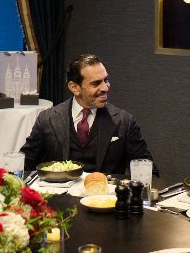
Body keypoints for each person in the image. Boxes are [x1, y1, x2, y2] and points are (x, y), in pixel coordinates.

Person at [20, 54, 158, 176]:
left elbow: (148, 171)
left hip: (105, 195)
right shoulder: (47, 119)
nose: (105, 88)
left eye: (106, 80)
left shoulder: (124, 121)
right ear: (74, 87)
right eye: (96, 83)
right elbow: (24, 165)